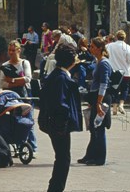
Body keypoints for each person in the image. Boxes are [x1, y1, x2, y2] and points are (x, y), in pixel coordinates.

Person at [39, 43, 83, 192]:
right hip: (58, 126)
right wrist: (61, 126)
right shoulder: (61, 78)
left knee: (62, 158)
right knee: (63, 159)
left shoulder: (57, 75)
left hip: (55, 124)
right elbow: (60, 104)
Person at [79, 37, 112, 166]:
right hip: (96, 97)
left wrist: (98, 102)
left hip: (102, 98)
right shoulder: (97, 61)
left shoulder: (104, 63)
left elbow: (104, 84)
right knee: (93, 127)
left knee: (99, 128)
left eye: (92, 46)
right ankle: (90, 154)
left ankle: (100, 158)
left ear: (99, 48)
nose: (90, 48)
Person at [0, 40, 36, 155]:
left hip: (25, 95)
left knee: (28, 121)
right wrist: (17, 82)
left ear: (19, 50)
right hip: (11, 97)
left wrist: (12, 80)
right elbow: (3, 83)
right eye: (9, 50)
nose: (10, 53)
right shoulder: (5, 66)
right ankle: (18, 144)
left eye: (13, 50)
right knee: (14, 120)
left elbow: (27, 79)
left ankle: (32, 146)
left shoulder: (24, 63)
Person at [105, 30, 130, 115]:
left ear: (116, 37)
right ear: (125, 38)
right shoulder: (127, 47)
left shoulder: (109, 46)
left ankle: (114, 107)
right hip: (125, 72)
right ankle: (121, 104)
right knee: (125, 88)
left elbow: (105, 56)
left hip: (114, 71)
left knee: (114, 89)